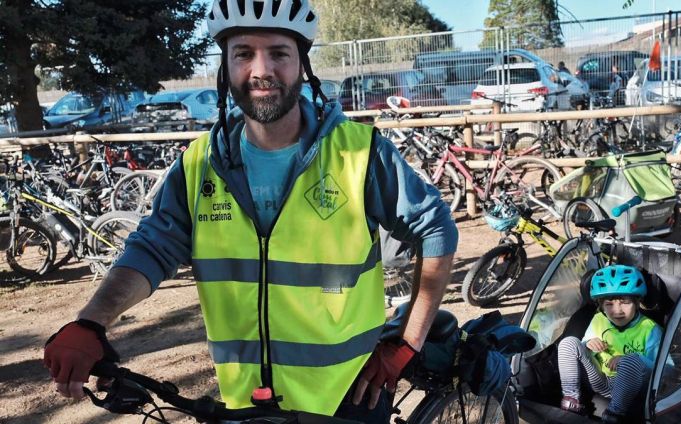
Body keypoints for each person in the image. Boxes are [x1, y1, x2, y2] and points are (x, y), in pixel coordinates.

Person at [42, 1, 457, 423]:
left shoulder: (360, 153)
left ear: (301, 64)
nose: (261, 70)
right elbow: (153, 248)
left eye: (279, 52)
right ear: (225, 66)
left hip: (347, 396)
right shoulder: (199, 163)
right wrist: (92, 322)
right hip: (245, 401)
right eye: (244, 54)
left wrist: (407, 343)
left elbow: (436, 230)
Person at [557, 265, 662, 424]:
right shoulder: (599, 319)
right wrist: (588, 344)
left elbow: (664, 369)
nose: (617, 310)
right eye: (609, 304)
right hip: (601, 380)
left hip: (632, 388)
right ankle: (572, 399)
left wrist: (629, 359)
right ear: (600, 305)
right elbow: (583, 347)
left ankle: (614, 414)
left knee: (631, 360)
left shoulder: (650, 329)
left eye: (625, 302)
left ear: (637, 301)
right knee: (568, 343)